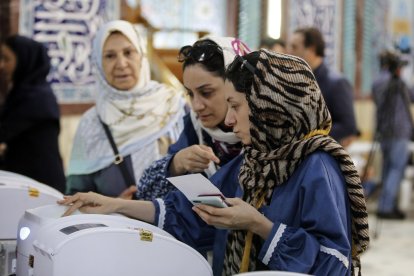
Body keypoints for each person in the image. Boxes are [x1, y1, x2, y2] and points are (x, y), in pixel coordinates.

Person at [59, 49, 369, 275]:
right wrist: (113, 205)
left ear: (269, 107)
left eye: (236, 105)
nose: (230, 120)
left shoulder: (316, 167)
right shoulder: (250, 165)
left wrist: (259, 225)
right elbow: (188, 216)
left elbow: (333, 264)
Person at [65, 20, 187, 198]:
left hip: (172, 223)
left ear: (142, 56)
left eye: (128, 53)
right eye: (110, 56)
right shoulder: (91, 122)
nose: (121, 64)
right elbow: (75, 195)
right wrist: (114, 207)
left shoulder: (174, 106)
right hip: (114, 224)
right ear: (98, 64)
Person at [136, 37, 245, 200]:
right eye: (191, 94)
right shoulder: (195, 127)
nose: (196, 105)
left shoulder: (264, 132)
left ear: (235, 85)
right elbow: (145, 193)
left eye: (206, 93)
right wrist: (175, 164)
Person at [0, 35, 66, 193]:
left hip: (42, 186)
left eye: (7, 59)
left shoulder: (37, 98)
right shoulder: (20, 94)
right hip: (24, 181)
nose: (2, 65)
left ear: (25, 60)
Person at [288, 27, 358, 147]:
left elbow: (348, 125)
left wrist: (311, 136)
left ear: (311, 49)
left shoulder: (336, 83)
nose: (289, 52)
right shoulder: (295, 80)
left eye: (294, 47)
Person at [372, 50, 414, 219]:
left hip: (383, 131)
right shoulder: (397, 83)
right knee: (396, 169)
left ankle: (385, 203)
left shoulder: (376, 82)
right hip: (398, 131)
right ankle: (386, 207)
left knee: (387, 169)